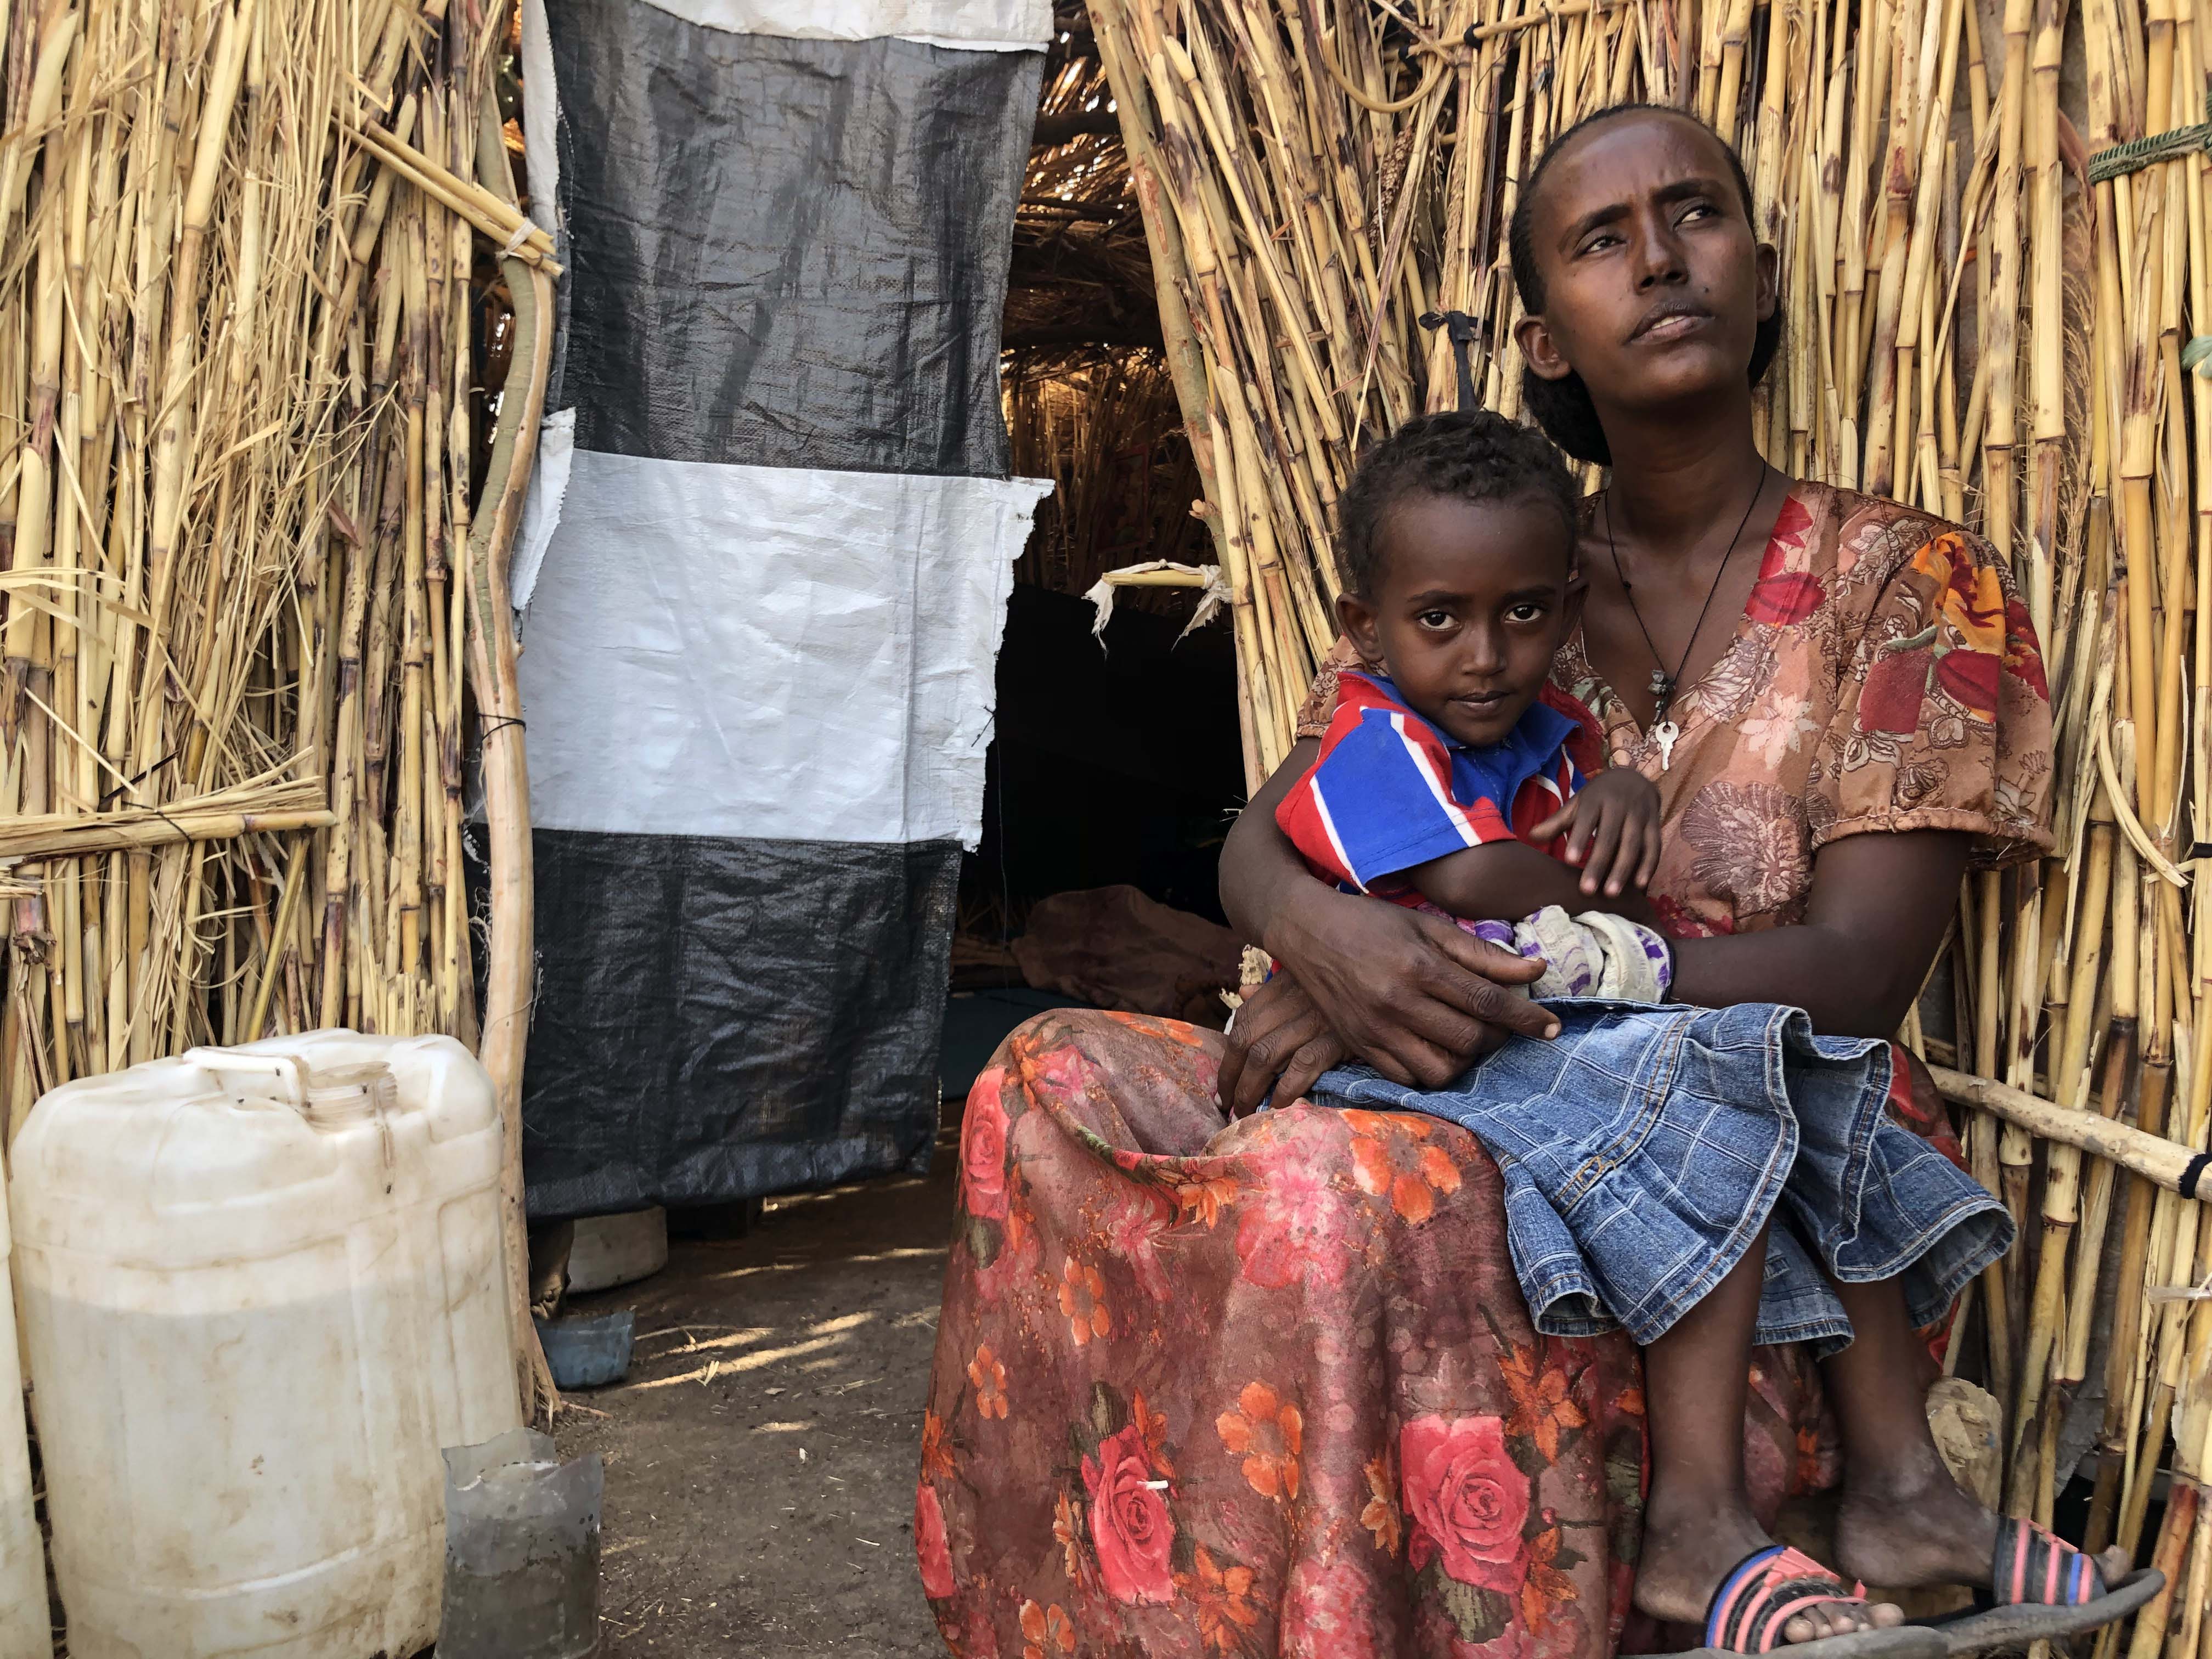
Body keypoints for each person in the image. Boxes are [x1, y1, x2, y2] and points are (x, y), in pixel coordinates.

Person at [921, 103, 2143, 1659]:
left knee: (1329, 1191)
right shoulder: (1486, 564)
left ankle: (1572, 1569)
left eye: (1696, 217)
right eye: (1599, 241)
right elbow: (1276, 827)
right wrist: (1324, 939)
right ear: (1544, 336)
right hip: (1450, 1066)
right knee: (1046, 1079)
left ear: (1763, 274)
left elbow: (1861, 974)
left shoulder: (1906, 582)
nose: (1659, 261)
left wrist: (1474, 990)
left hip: (1751, 1098)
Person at [1277, 403, 2029, 1651]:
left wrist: (1615, 796)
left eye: (1523, 616)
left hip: (1561, 1018)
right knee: (1713, 1094)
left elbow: (1600, 883)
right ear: (1370, 629)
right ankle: (1695, 1517)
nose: (1484, 653)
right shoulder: (1372, 733)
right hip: (1446, 1039)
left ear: (1562, 607)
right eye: (1442, 621)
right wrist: (1589, 873)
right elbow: (1475, 884)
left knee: (1824, 1078)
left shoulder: (1543, 733)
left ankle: (1901, 1489)